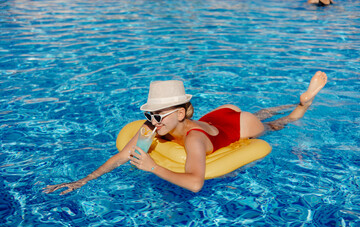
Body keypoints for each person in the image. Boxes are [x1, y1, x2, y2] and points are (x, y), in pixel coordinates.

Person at [44, 71, 327, 194]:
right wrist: (81, 181)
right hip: (217, 115)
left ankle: (300, 106)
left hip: (238, 125)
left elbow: (195, 184)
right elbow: (122, 156)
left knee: (274, 125)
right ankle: (285, 105)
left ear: (180, 113)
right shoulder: (155, 127)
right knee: (264, 113)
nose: (152, 121)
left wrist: (153, 167)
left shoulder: (194, 140)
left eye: (158, 115)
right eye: (149, 115)